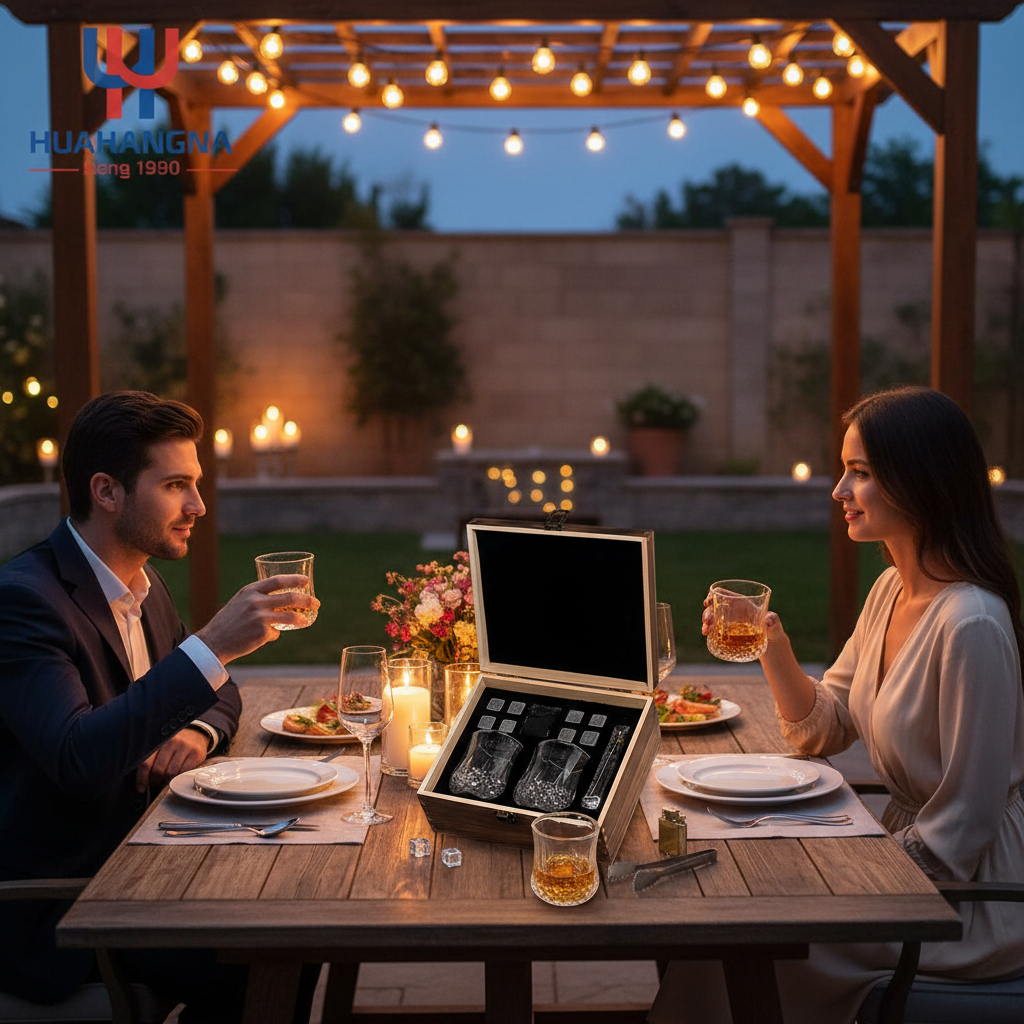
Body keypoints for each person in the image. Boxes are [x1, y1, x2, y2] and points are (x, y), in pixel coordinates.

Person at [649, 385, 1024, 1024]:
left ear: (923, 481)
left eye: (861, 473)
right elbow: (822, 728)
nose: (838, 491)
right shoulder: (890, 590)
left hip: (969, 902)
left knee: (742, 927)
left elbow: (962, 832)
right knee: (715, 915)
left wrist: (838, 872)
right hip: (906, 861)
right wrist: (771, 642)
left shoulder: (971, 624)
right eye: (844, 470)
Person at [0, 391, 319, 1018]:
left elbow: (215, 688)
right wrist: (209, 647)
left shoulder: (140, 584)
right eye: (176, 485)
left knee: (300, 918)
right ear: (107, 491)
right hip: (62, 904)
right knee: (271, 955)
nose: (198, 506)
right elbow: (78, 758)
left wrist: (197, 730)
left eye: (195, 484)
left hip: (145, 864)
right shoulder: (25, 602)